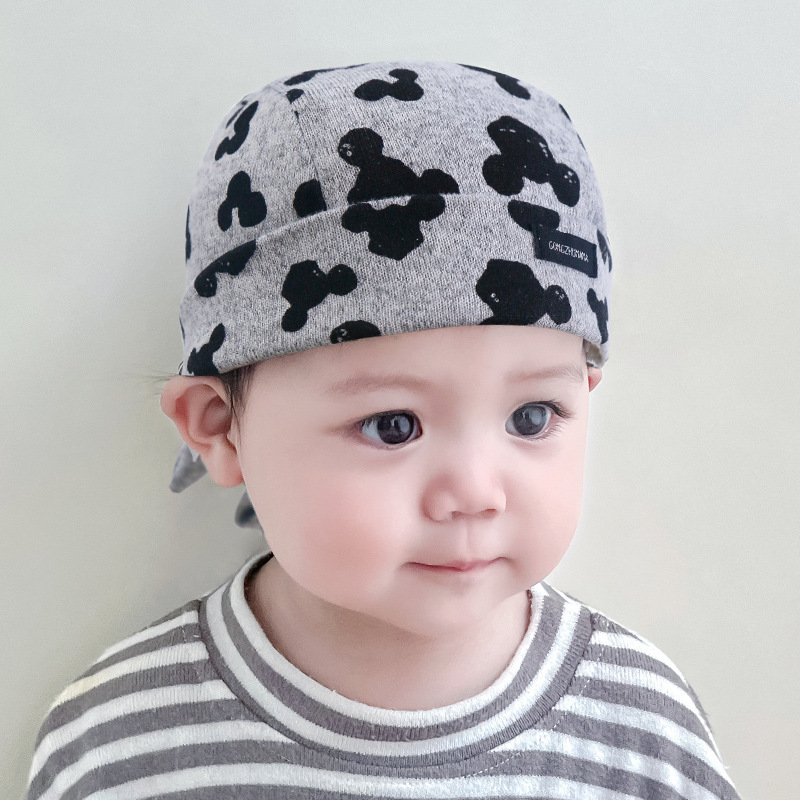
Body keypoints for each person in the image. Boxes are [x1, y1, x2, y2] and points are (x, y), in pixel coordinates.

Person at [25, 60, 741, 799]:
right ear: (220, 430)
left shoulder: (643, 736)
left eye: (532, 417)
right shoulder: (121, 747)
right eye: (393, 426)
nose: (475, 493)